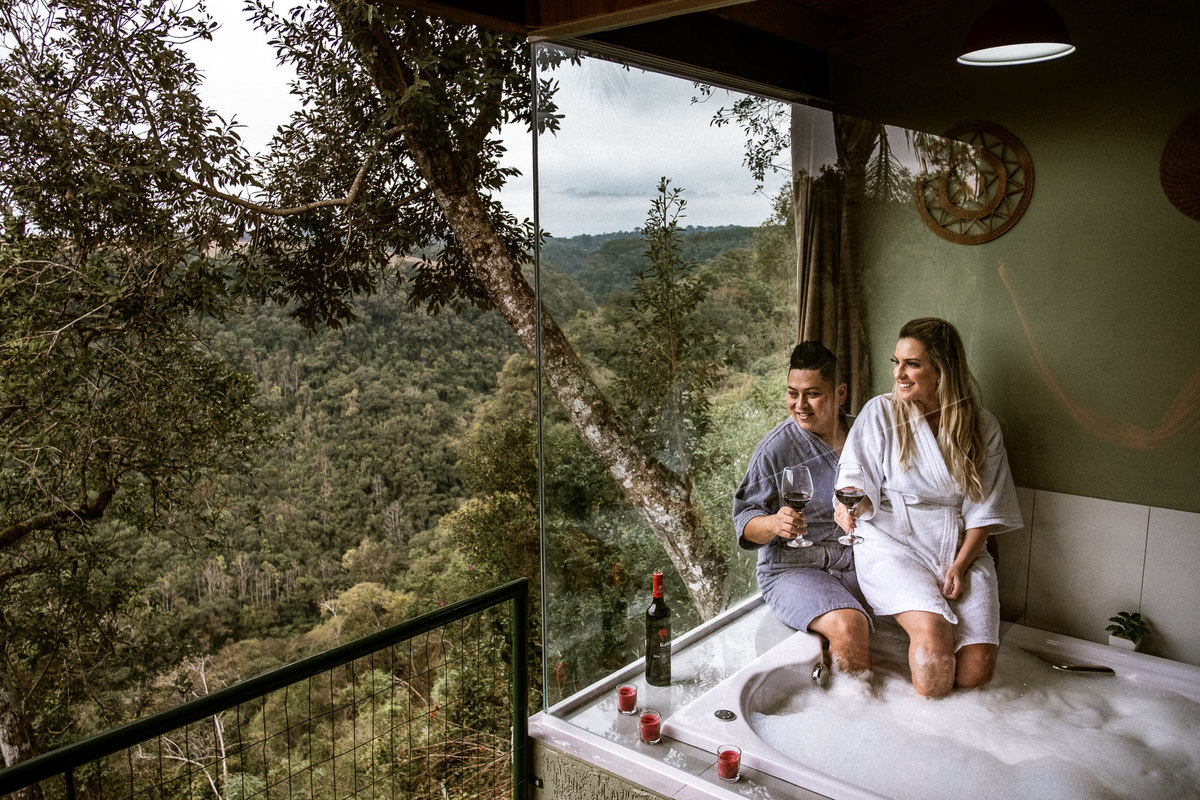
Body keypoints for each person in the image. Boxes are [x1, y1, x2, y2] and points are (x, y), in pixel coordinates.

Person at [834, 317, 1022, 698]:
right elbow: (854, 480)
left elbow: (984, 509)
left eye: (912, 364)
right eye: (897, 362)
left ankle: (948, 719)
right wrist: (848, 506)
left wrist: (960, 565)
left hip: (958, 547)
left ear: (942, 370)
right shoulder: (881, 412)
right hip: (893, 542)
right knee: (934, 638)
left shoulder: (982, 427)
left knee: (976, 671)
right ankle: (924, 721)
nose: (898, 373)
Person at [733, 342, 872, 677]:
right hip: (793, 569)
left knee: (919, 617)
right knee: (849, 627)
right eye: (792, 393)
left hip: (857, 561)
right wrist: (773, 524)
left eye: (812, 394)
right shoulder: (776, 448)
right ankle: (853, 706)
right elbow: (745, 521)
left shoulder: (865, 435)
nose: (800, 405)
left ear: (840, 394)